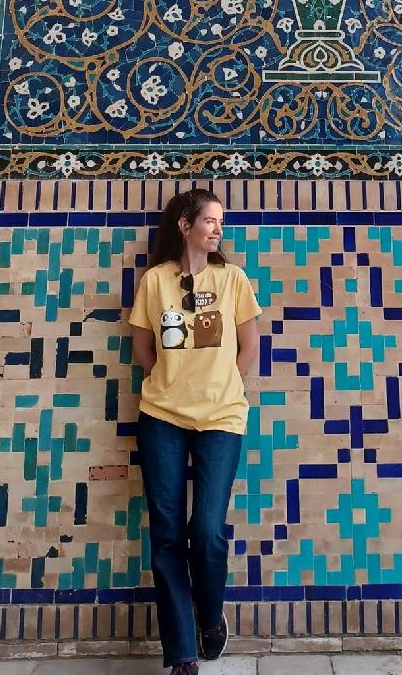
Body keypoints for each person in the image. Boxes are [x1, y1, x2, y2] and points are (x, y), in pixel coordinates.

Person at [129, 188, 261, 674]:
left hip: (222, 418)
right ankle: (183, 651)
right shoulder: (155, 282)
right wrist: (168, 384)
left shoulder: (233, 280)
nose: (218, 229)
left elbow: (249, 345)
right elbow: (143, 350)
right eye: (210, 220)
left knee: (206, 531)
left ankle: (209, 617)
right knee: (166, 536)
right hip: (162, 417)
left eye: (220, 222)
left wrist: (225, 384)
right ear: (185, 225)